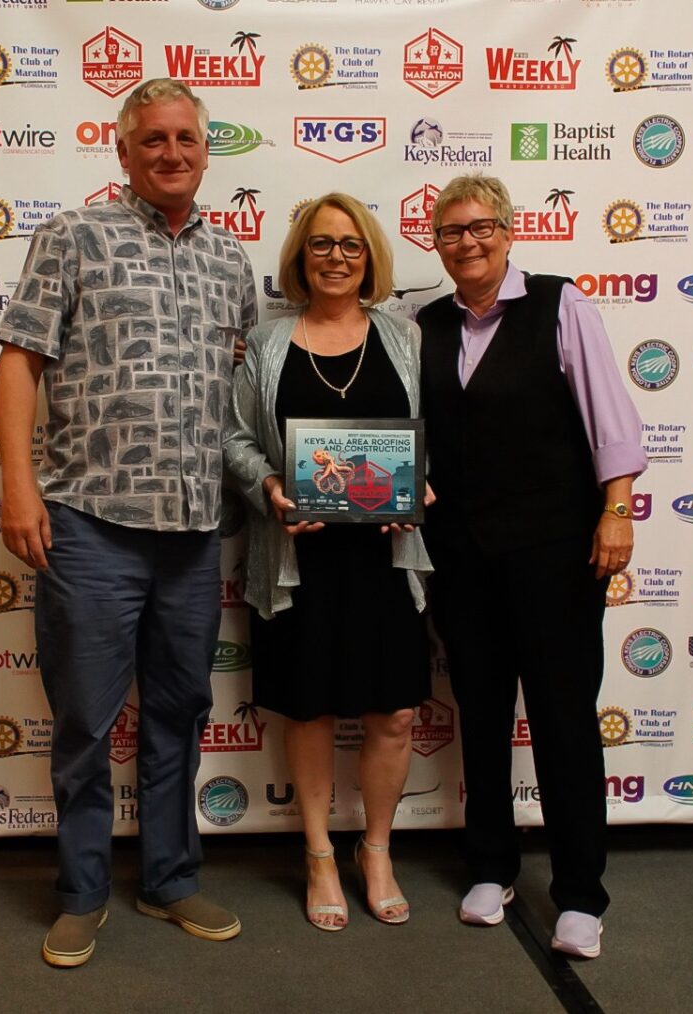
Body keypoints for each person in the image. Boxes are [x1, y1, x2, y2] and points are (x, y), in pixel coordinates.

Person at [0, 78, 257, 968]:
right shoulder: (73, 236)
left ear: (206, 149)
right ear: (124, 151)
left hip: (191, 530)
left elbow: (238, 400)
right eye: (153, 140)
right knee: (84, 719)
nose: (171, 153)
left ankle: (172, 878)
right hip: (88, 522)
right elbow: (22, 362)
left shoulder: (230, 259)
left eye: (186, 138)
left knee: (179, 710)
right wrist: (20, 488)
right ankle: (81, 889)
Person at [418, 175, 647, 960]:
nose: (467, 242)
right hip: (463, 557)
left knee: (562, 719)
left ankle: (581, 894)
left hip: (557, 551)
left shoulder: (562, 304)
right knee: (479, 714)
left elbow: (610, 421)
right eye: (451, 232)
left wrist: (616, 512)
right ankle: (490, 866)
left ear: (510, 232)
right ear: (437, 244)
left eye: (481, 227)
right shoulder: (426, 325)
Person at [223, 194, 433, 931]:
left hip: (385, 556)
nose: (336, 256)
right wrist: (272, 486)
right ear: (299, 258)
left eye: (350, 244)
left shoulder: (405, 338)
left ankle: (375, 850)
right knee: (308, 709)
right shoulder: (269, 342)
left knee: (396, 712)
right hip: (297, 559)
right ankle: (317, 854)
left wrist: (425, 480)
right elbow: (235, 441)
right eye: (320, 244)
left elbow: (429, 433)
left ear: (369, 256)